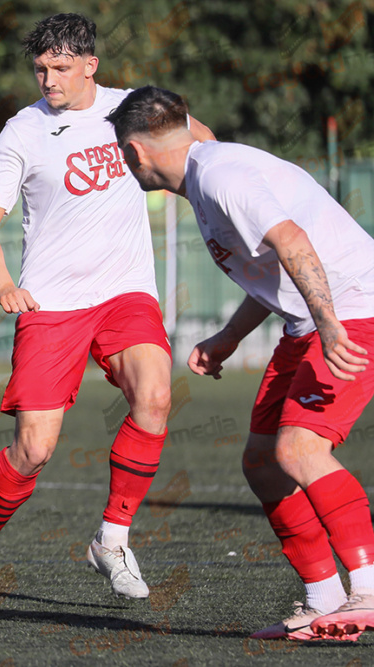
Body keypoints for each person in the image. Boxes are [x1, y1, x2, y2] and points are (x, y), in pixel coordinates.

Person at [0, 13, 215, 606]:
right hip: (52, 304)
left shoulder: (134, 108)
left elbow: (208, 148)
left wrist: (226, 207)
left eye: (61, 68)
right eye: (40, 69)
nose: (48, 79)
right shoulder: (21, 132)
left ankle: (112, 539)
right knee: (34, 449)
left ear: (90, 65)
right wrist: (3, 286)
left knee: (156, 395)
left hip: (125, 293)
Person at [107, 85, 374, 640]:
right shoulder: (207, 171)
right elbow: (271, 266)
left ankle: (367, 589)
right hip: (311, 321)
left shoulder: (221, 176)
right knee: (262, 462)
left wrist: (329, 324)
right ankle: (324, 598)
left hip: (354, 311)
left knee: (300, 449)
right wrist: (229, 336)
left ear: (133, 153)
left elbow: (293, 241)